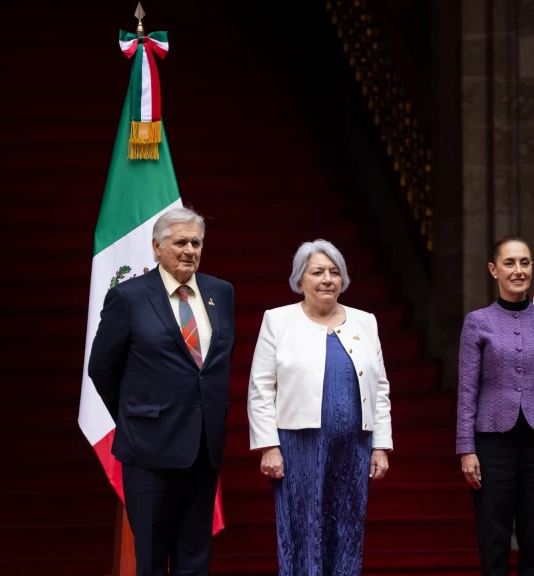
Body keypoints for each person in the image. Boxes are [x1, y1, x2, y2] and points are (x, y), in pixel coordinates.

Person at [88, 207, 235, 576]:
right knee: (152, 559)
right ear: (157, 246)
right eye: (180, 242)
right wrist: (139, 415)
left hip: (203, 449)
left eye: (196, 243)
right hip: (149, 450)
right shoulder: (129, 297)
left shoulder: (221, 292)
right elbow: (102, 369)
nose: (190, 250)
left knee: (195, 559)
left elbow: (215, 368)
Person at [247, 239, 393, 576]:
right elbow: (261, 388)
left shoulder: (365, 321)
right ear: (300, 280)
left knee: (347, 527)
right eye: (317, 272)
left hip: (354, 445)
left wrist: (381, 446)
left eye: (334, 272)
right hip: (298, 445)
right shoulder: (277, 320)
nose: (327, 279)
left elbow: (380, 388)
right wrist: (268, 446)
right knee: (303, 528)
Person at [456, 235, 534, 576]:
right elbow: (467, 390)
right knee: (493, 537)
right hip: (492, 444)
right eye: (509, 263)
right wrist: (466, 448)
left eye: (524, 262)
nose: (518, 270)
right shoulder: (477, 321)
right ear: (494, 269)